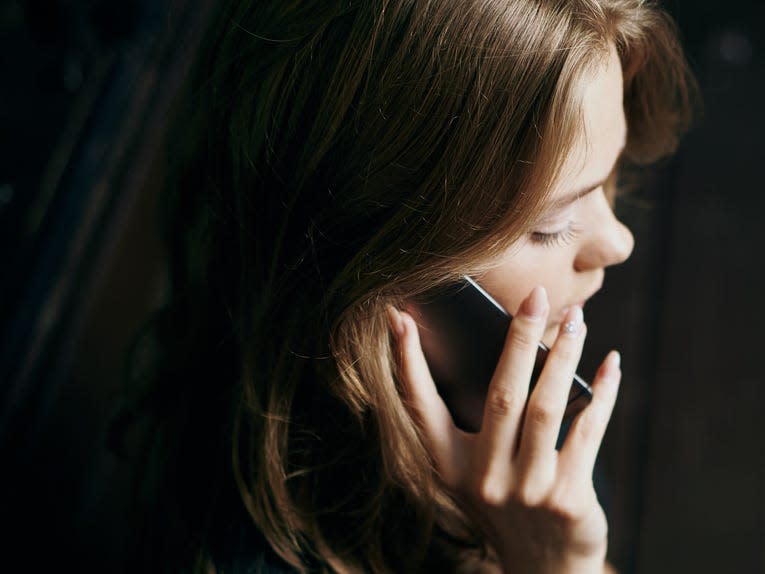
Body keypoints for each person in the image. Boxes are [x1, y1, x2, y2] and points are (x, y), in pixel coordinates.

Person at [126, 0, 696, 572]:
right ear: (384, 271)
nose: (620, 241)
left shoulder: (506, 402)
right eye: (549, 225)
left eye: (609, 174)